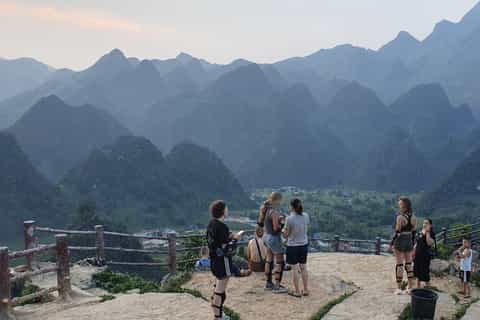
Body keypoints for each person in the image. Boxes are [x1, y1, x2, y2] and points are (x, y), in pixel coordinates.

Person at [207, 200, 243, 320]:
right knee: (220, 290)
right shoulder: (222, 226)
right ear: (222, 211)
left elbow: (218, 241)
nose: (227, 210)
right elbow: (227, 248)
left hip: (214, 260)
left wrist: (230, 236)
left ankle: (219, 314)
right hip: (223, 262)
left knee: (218, 288)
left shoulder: (212, 224)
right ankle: (218, 317)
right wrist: (236, 238)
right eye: (226, 209)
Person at [259, 192, 287, 293]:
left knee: (269, 259)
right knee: (280, 262)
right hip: (274, 238)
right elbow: (276, 229)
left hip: (266, 236)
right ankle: (277, 286)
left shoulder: (266, 209)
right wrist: (282, 224)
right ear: (278, 200)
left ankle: (268, 283)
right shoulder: (274, 212)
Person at [390, 196, 417, 295]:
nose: (399, 205)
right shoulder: (413, 217)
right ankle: (410, 287)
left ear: (404, 205)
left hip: (400, 240)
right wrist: (413, 244)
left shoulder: (400, 217)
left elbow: (397, 232)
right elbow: (414, 232)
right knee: (409, 265)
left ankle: (399, 288)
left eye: (400, 204)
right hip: (409, 240)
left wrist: (392, 242)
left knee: (399, 265)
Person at [284, 198, 310, 298]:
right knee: (303, 267)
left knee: (295, 268)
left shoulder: (289, 219)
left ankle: (297, 291)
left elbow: (286, 235)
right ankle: (306, 289)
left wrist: (283, 229)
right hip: (304, 244)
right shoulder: (306, 216)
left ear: (291, 207)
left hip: (293, 245)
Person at [413, 219, 436, 288]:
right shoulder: (420, 232)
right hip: (417, 255)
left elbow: (429, 243)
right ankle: (418, 288)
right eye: (424, 223)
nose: (425, 224)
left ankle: (428, 288)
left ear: (430, 225)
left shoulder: (431, 233)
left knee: (425, 273)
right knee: (417, 272)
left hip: (425, 256)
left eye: (427, 223)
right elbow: (417, 243)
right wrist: (413, 251)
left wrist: (427, 232)